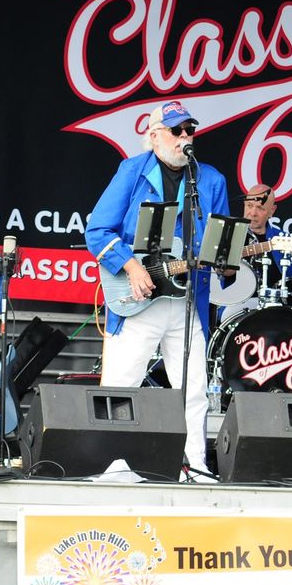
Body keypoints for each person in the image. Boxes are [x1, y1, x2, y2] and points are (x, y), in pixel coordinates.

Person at [85, 100, 229, 478]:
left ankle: (194, 464)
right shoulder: (132, 172)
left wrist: (225, 259)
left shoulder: (210, 179)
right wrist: (130, 266)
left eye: (189, 130)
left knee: (194, 388)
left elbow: (220, 245)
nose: (185, 137)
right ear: (153, 137)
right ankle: (112, 465)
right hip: (139, 299)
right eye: (176, 130)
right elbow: (97, 230)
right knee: (121, 383)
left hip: (186, 303)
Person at [216, 184, 292, 319]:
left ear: (272, 210)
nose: (252, 213)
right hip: (237, 306)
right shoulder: (227, 236)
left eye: (260, 208)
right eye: (249, 206)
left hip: (277, 307)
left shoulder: (282, 239)